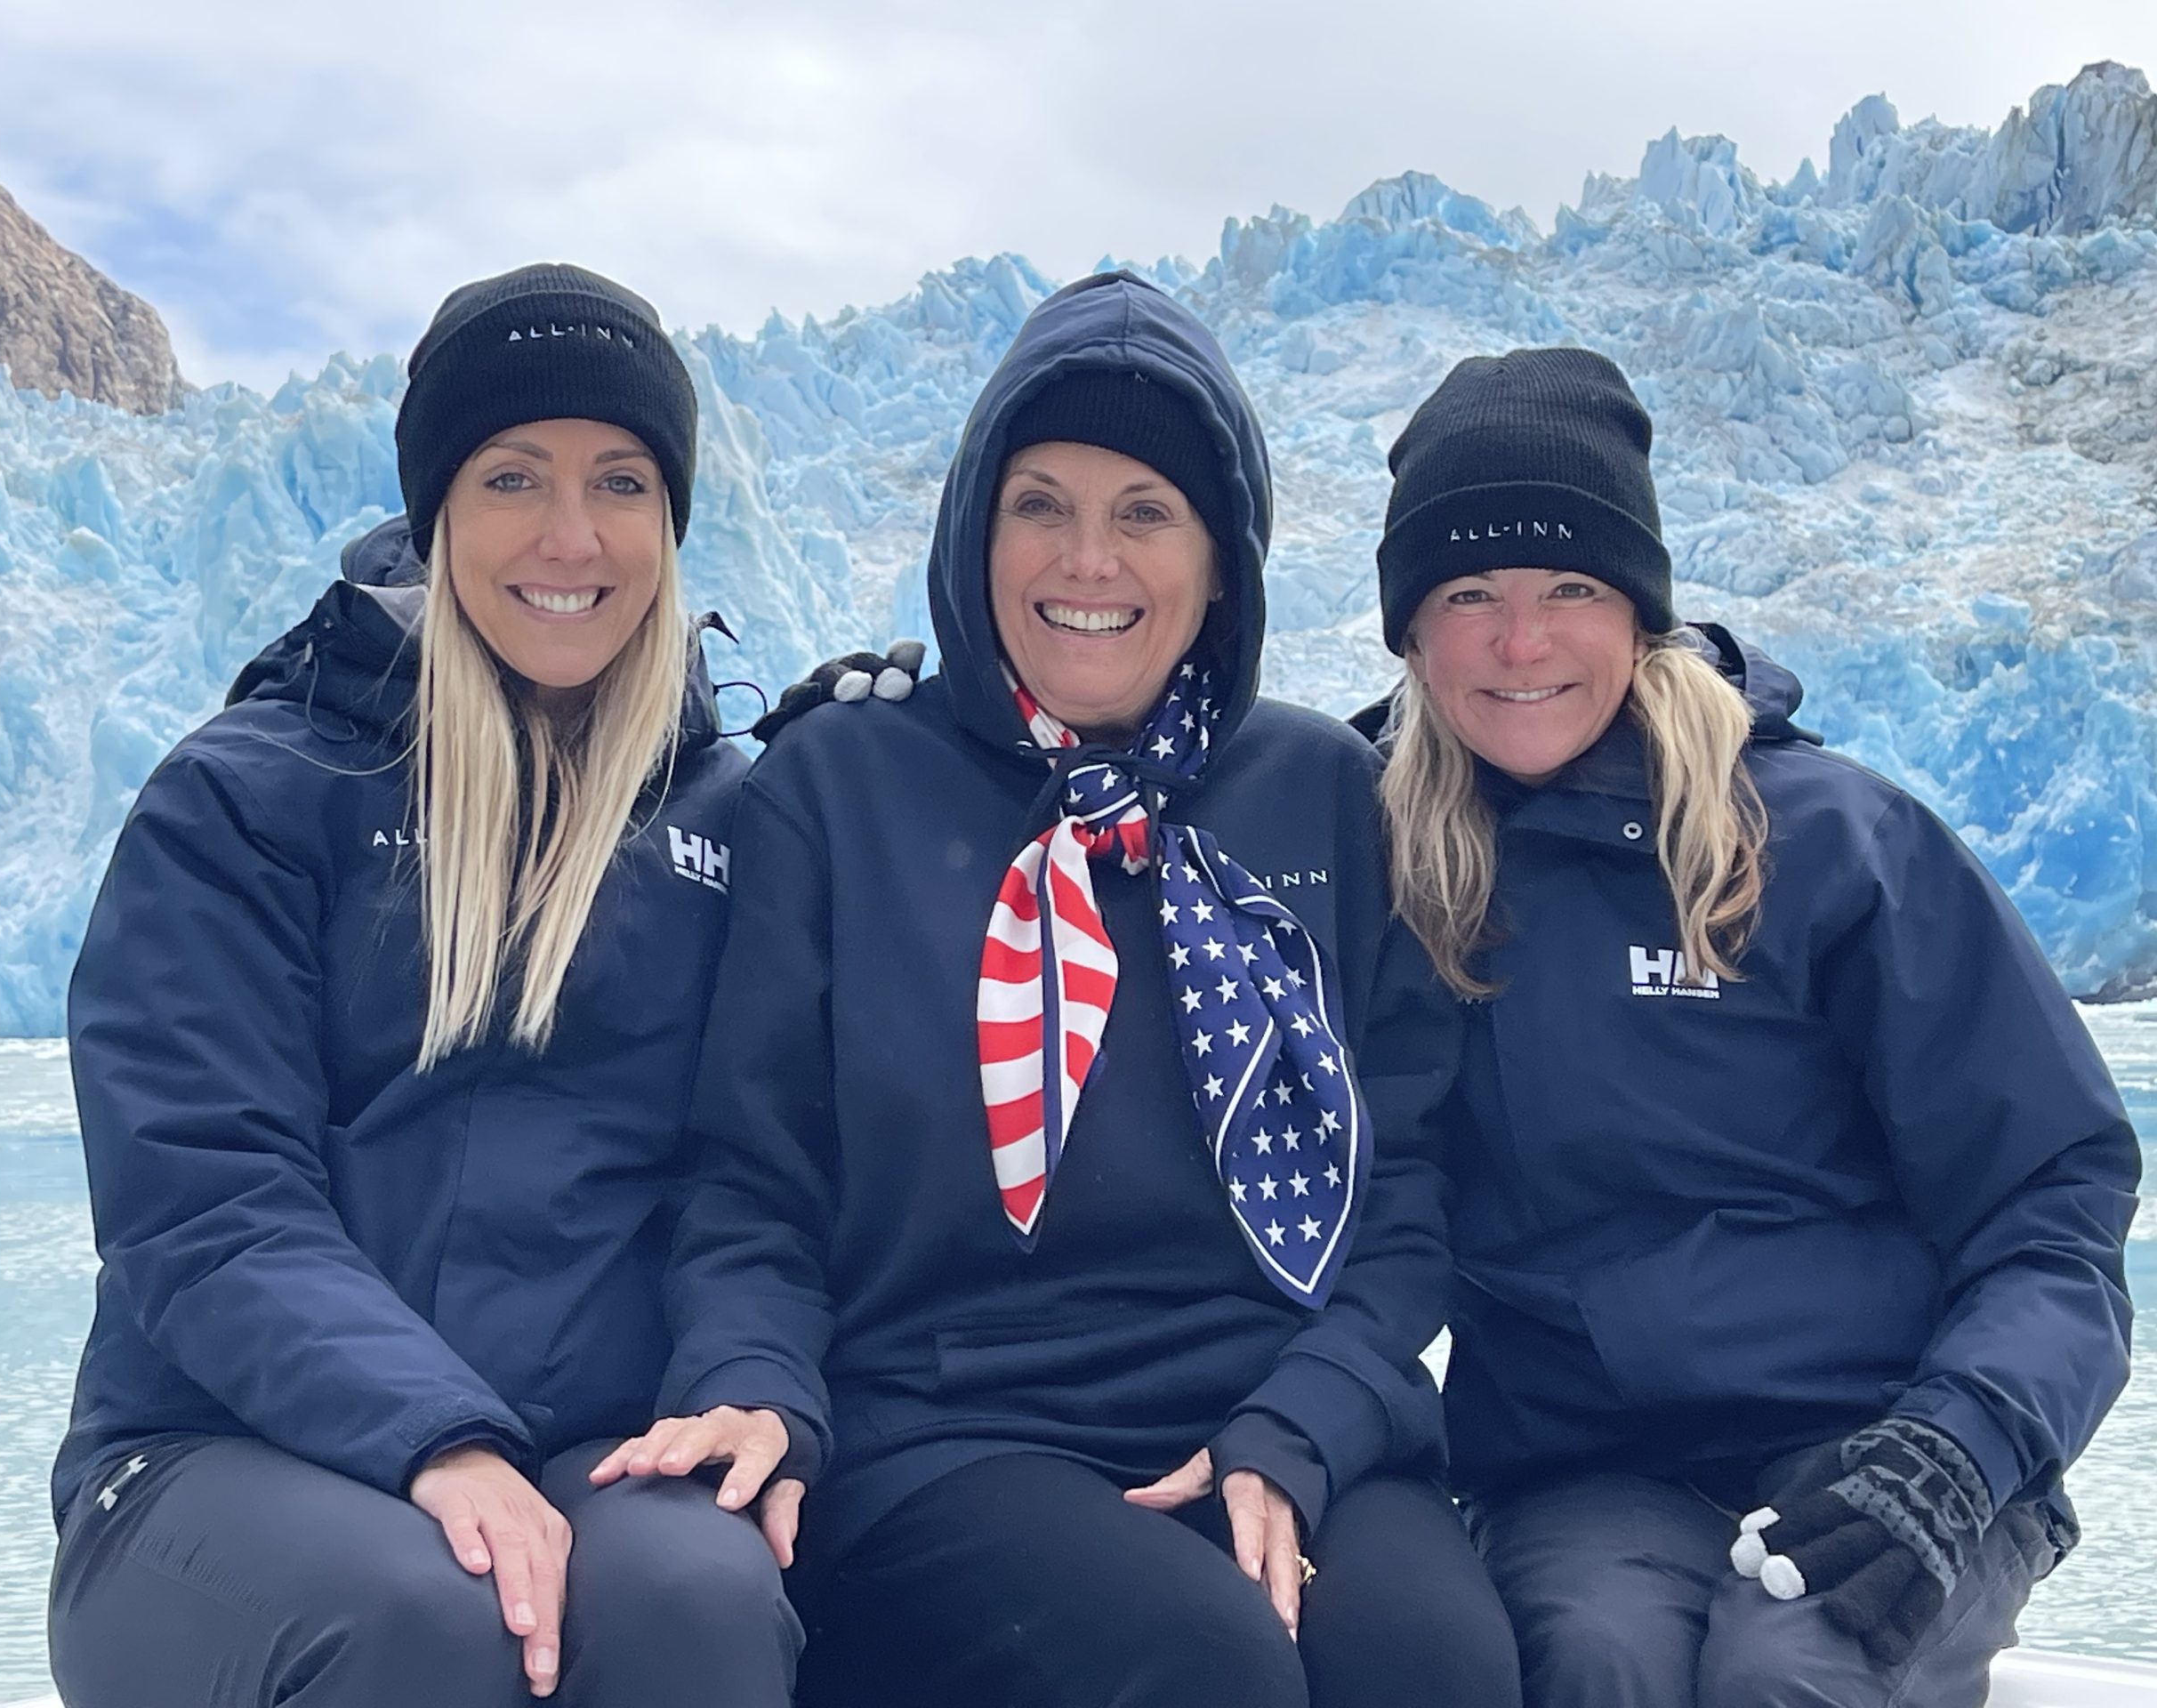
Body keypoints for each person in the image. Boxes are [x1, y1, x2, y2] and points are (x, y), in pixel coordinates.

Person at [593, 271, 1521, 1708]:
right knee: (1206, 1672)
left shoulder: (1322, 795)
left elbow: (1405, 1189)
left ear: (1223, 561)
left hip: (1269, 1404)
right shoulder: (841, 787)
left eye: (1145, 511)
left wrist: (1311, 1418)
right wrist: (754, 1376)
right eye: (1042, 503)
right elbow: (750, 1179)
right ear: (976, 530)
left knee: (1435, 1668)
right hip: (945, 1433)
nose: (1088, 559)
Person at [46, 263, 799, 1707]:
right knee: (422, 1622)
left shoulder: (734, 819)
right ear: (439, 508)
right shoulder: (258, 793)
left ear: (672, 518)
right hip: (221, 1446)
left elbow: (756, 1179)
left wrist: (749, 1379)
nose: (570, 535)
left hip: (596, 1439)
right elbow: (204, 1192)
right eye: (514, 475)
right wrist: (436, 1439)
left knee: (701, 1600)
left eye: (622, 481)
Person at [1369, 345, 2140, 1708]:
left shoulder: (1836, 845)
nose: (1521, 641)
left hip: (1893, 1439)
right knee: (1596, 1659)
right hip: (1592, 1471)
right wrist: (889, 740)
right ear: (1412, 633)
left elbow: (2051, 1197)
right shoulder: (1385, 854)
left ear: (1642, 612)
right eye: (1468, 595)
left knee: (1793, 1670)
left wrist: (1957, 1449)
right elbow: (1132, 861)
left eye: (1572, 590)